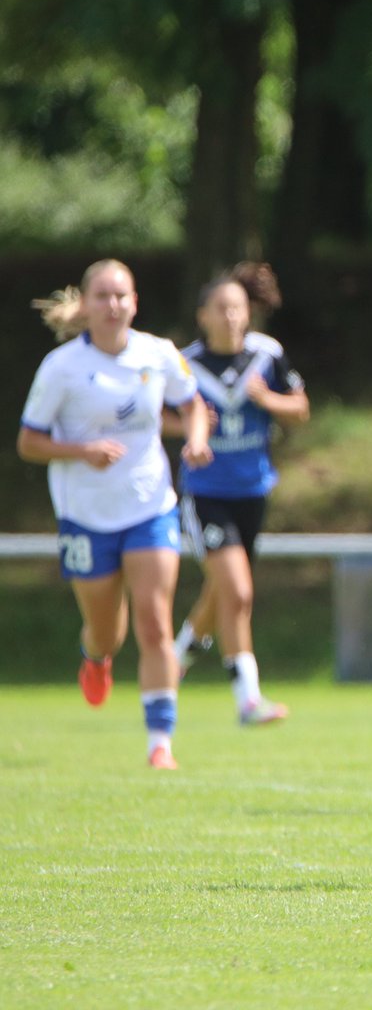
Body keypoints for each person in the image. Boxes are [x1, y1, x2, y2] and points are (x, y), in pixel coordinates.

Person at [17, 259, 212, 769]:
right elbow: (29, 442)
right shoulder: (61, 368)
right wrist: (83, 452)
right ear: (86, 305)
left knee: (154, 623)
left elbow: (192, 405)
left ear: (135, 303)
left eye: (122, 295)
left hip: (150, 506)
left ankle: (160, 743)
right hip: (85, 514)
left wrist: (195, 440)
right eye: (102, 296)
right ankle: (96, 657)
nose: (113, 305)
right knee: (108, 631)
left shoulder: (158, 353)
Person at [171, 262, 309, 726]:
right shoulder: (185, 364)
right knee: (238, 590)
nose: (230, 316)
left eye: (237, 308)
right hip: (205, 492)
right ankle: (248, 700)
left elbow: (300, 408)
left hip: (253, 491)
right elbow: (155, 416)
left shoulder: (266, 355)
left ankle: (175, 660)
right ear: (202, 315)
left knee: (223, 591)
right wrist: (192, 430)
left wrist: (266, 399)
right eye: (220, 309)